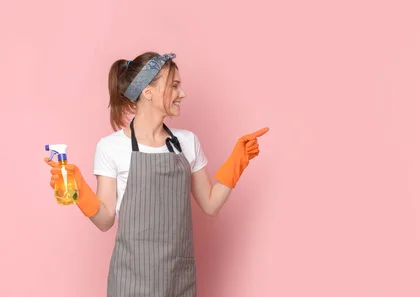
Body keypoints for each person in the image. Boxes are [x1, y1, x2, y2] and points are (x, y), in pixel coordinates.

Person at [44, 51, 269, 297]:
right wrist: (79, 191)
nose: (182, 94)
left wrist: (238, 161)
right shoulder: (110, 148)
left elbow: (211, 203)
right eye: (174, 86)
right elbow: (105, 220)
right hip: (130, 282)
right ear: (147, 92)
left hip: (178, 281)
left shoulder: (187, 142)